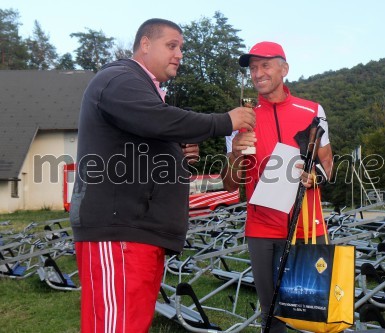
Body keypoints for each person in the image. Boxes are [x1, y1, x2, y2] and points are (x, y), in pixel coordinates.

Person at [70, 18, 255, 333]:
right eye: (172, 45)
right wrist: (224, 121)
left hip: (139, 233)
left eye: (181, 48)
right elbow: (159, 121)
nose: (179, 54)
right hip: (120, 232)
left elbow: (143, 141)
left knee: (131, 324)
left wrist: (175, 156)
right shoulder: (119, 77)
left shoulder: (144, 89)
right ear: (145, 44)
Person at [222, 41, 333, 333]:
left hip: (308, 226)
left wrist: (315, 176)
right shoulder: (239, 119)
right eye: (253, 68)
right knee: (272, 316)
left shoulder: (312, 110)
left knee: (314, 313)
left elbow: (328, 163)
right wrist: (234, 154)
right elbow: (229, 182)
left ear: (284, 69)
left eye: (265, 65)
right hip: (262, 228)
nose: (257, 73)